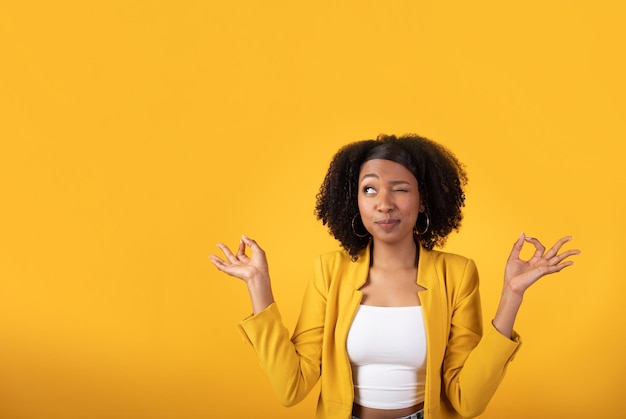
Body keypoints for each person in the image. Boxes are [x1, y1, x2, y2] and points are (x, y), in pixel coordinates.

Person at [209, 133, 580, 419]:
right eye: (369, 189)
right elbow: (292, 387)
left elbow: (467, 400)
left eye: (400, 190)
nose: (383, 203)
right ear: (354, 200)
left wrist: (512, 294)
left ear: (423, 200)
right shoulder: (330, 269)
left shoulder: (457, 273)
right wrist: (258, 286)